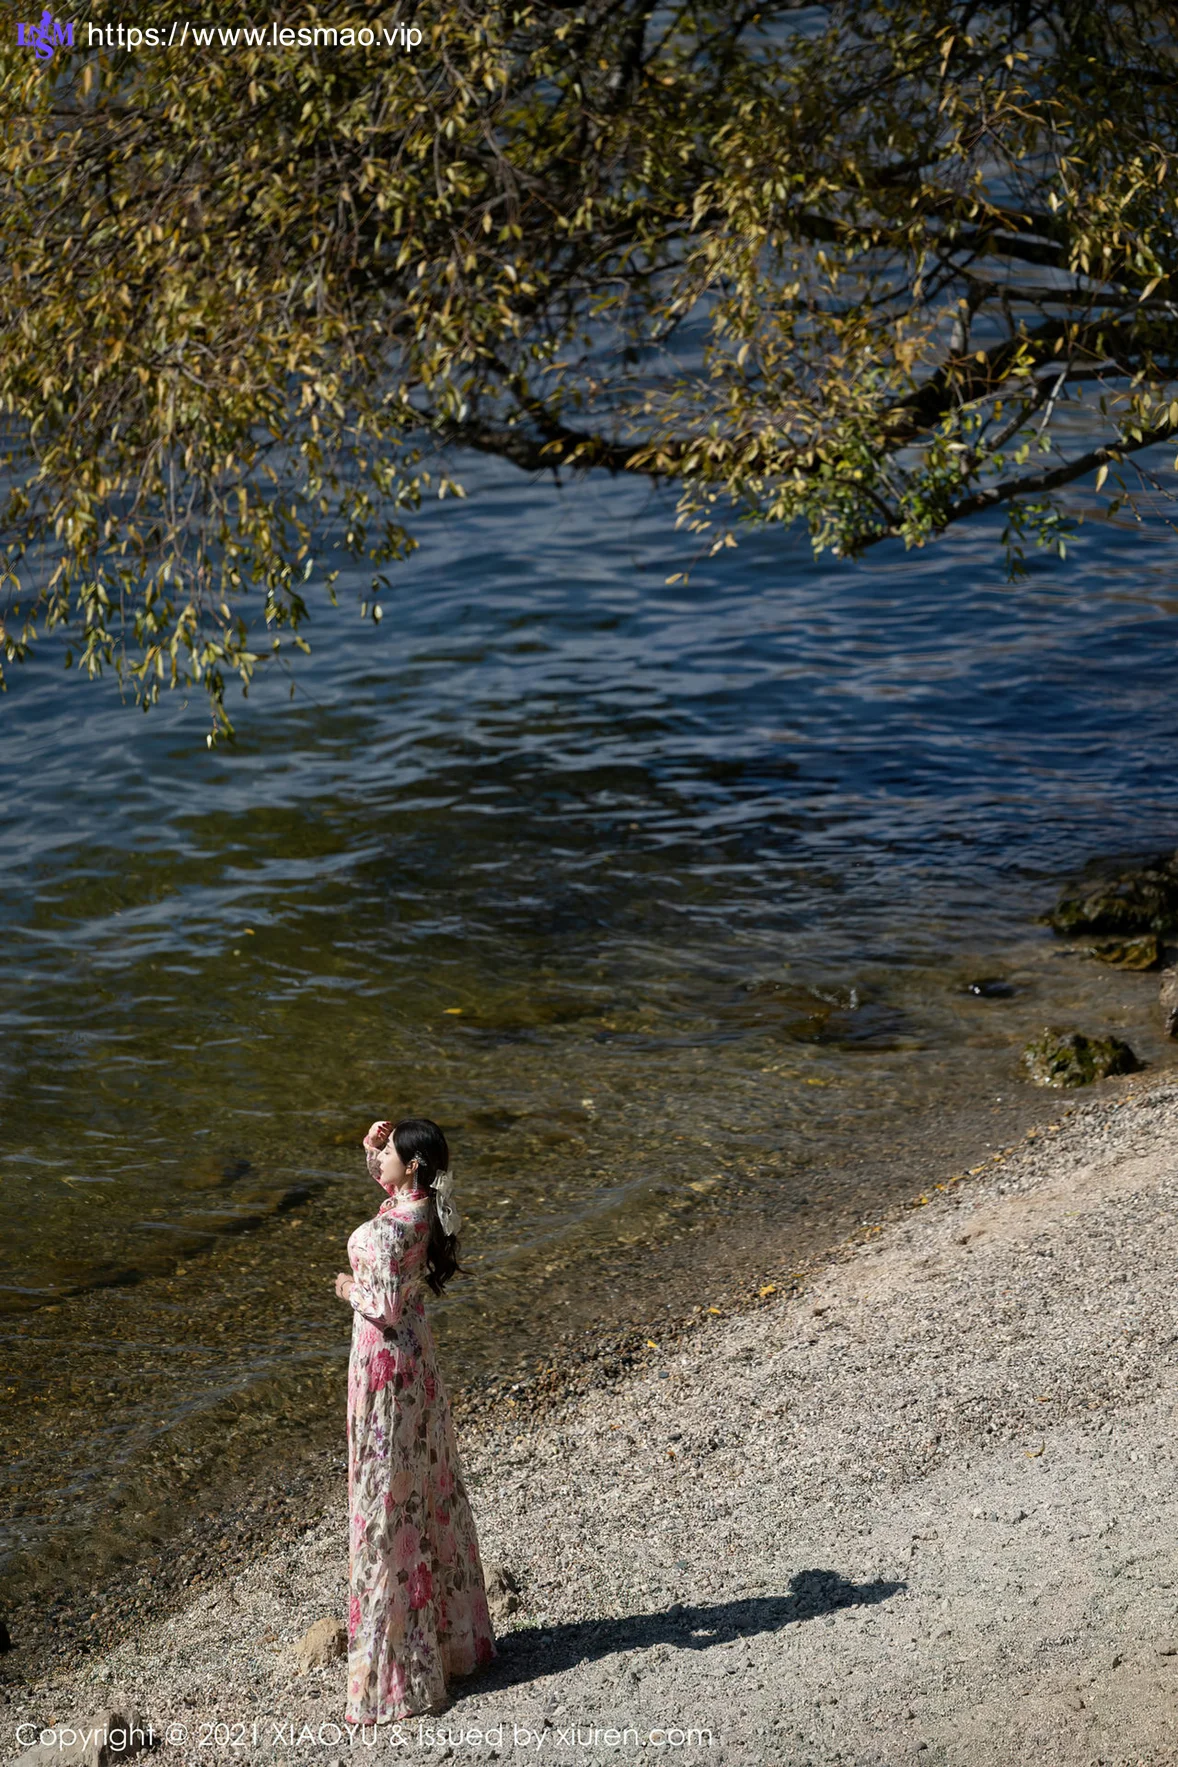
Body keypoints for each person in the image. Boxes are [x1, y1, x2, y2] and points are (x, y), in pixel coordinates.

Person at [334, 1116, 496, 1726]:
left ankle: (398, 1670)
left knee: (386, 1497)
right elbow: (389, 1190)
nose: (381, 1163)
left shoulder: (388, 1234)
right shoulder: (423, 1209)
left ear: (415, 1168)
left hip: (383, 1366)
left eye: (391, 1156)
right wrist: (373, 1148)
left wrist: (347, 1286)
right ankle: (452, 1641)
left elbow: (380, 1303)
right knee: (424, 1484)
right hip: (417, 1362)